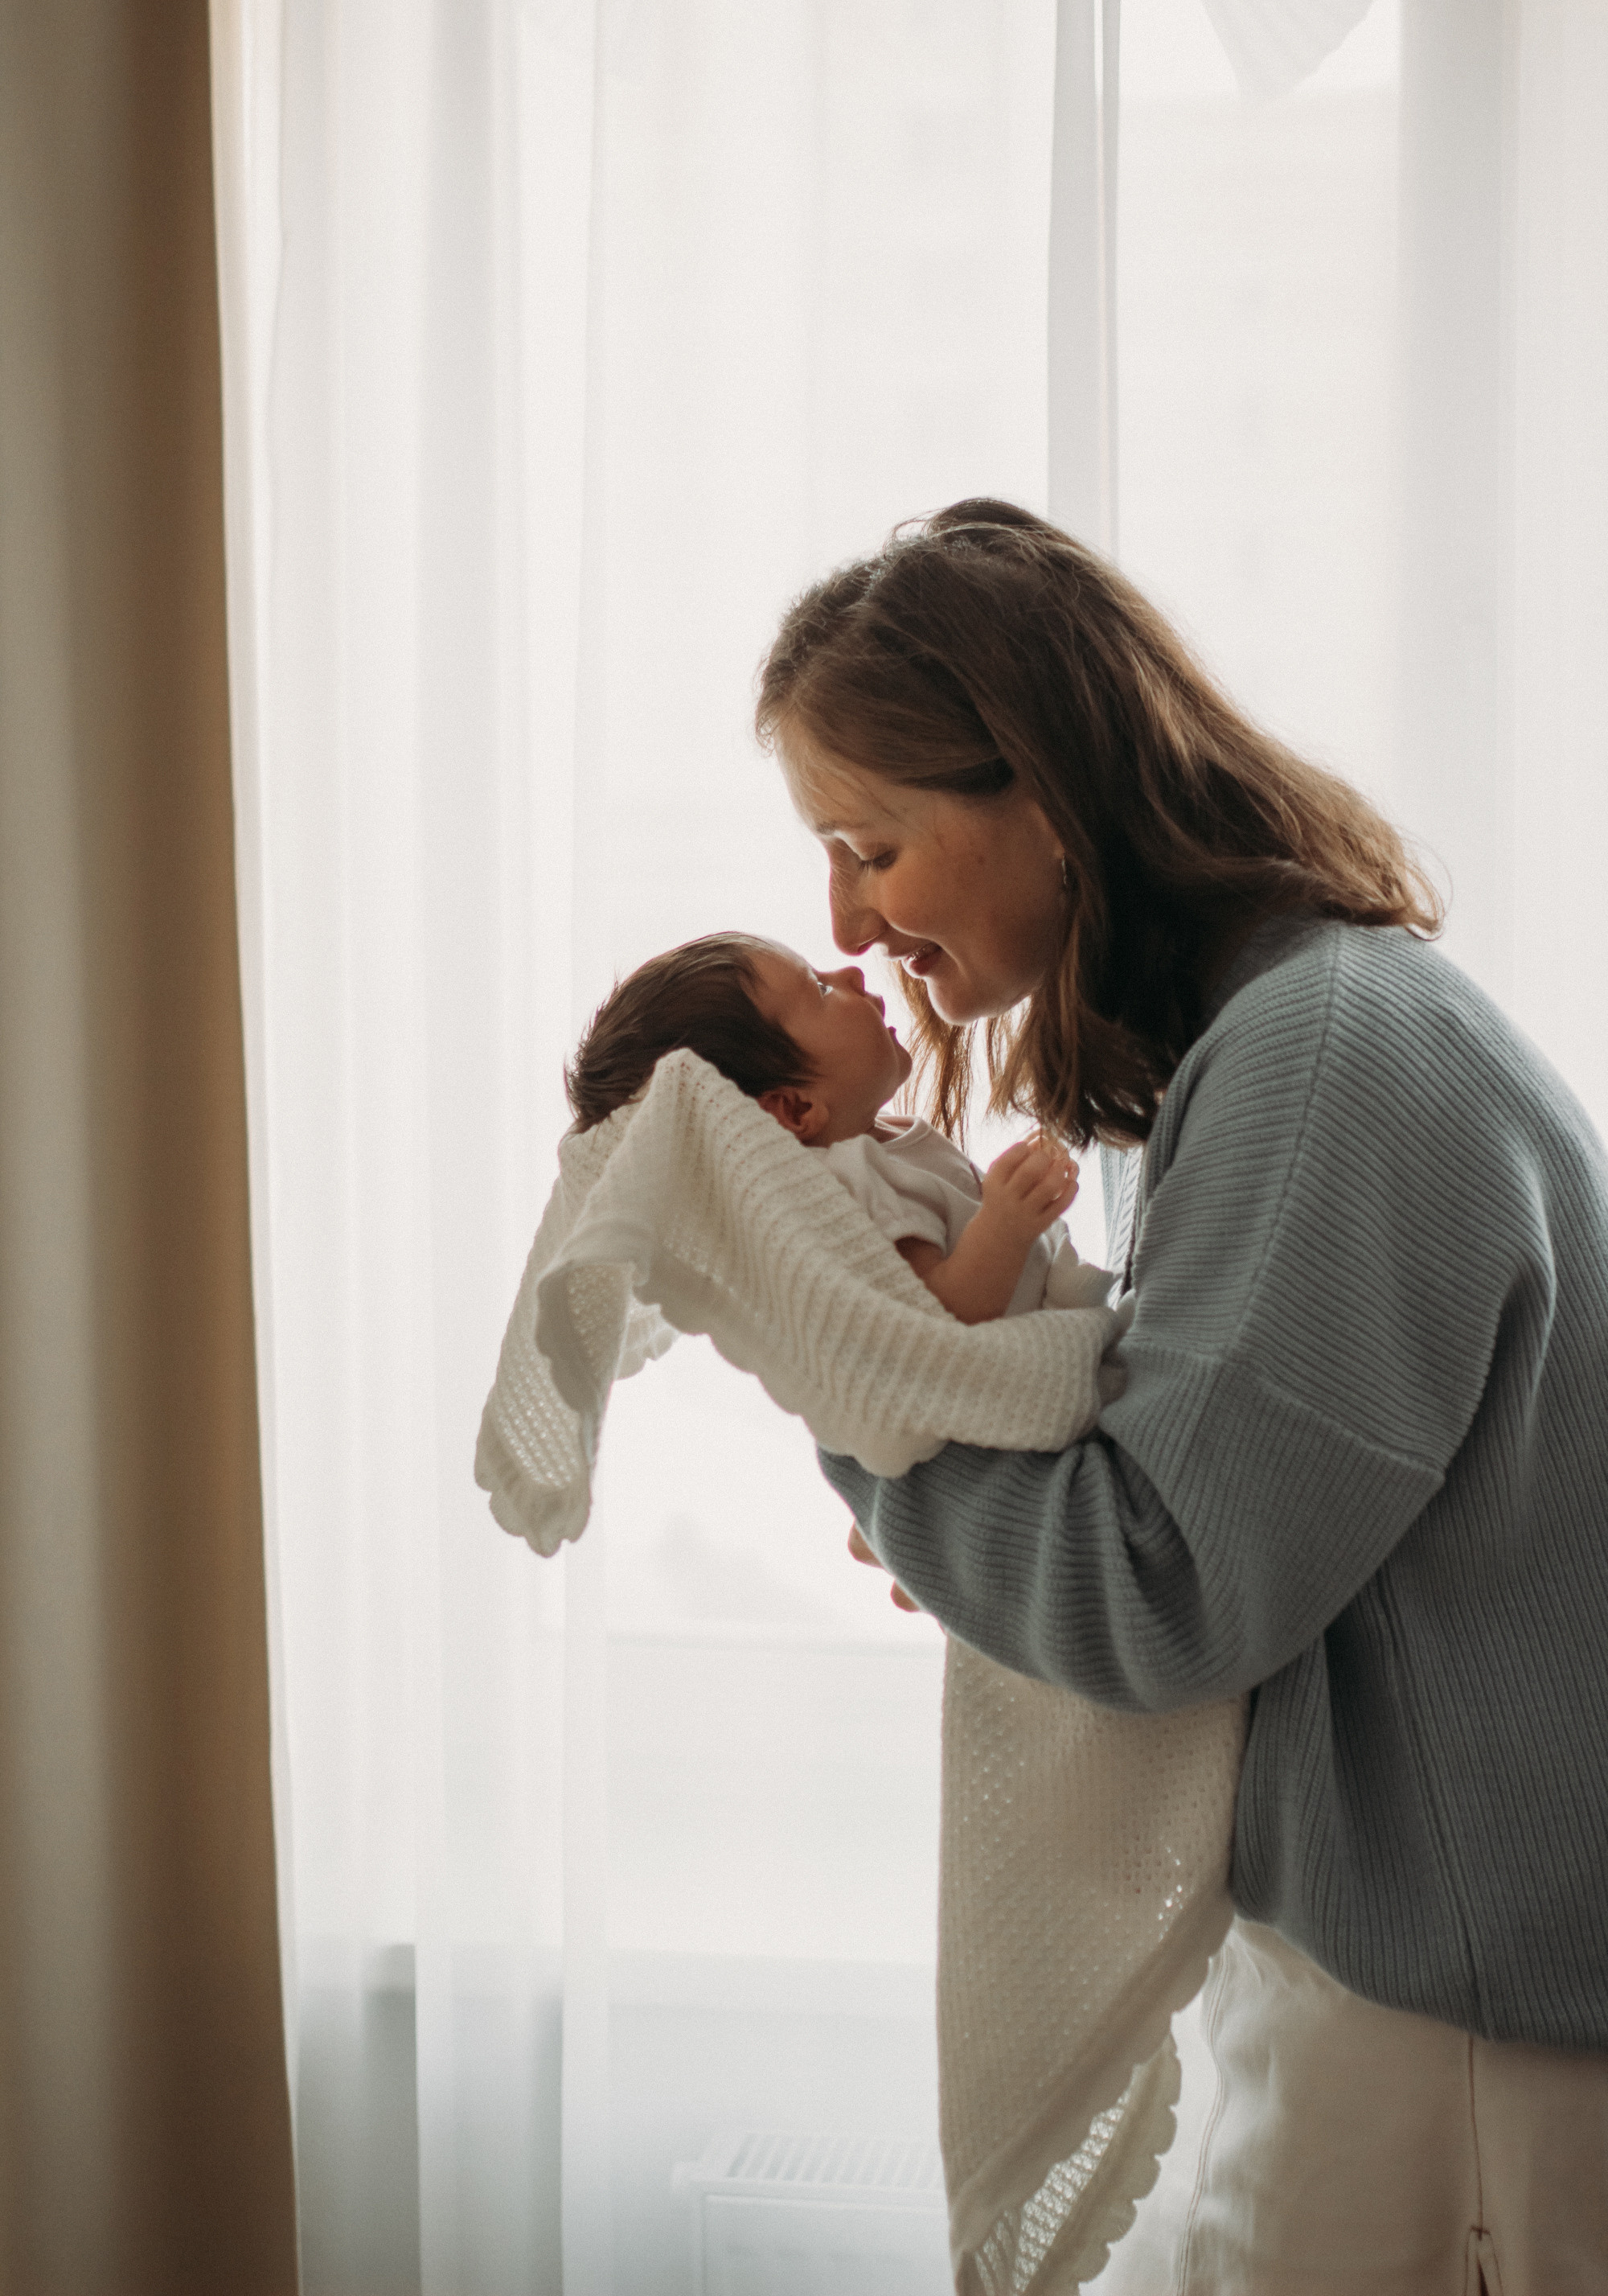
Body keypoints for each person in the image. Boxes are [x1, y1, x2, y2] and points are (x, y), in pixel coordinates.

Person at [754, 497, 1608, 2290]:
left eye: (870, 841)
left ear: (1046, 802)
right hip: (1465, 1980)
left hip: (1475, 2030)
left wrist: (848, 1398)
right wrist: (968, 1494)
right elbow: (1235, 1512)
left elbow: (1157, 1592)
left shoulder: (1315, 1066)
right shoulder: (1307, 1028)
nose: (839, 913)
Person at [564, 930, 1098, 1324]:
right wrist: (1006, 1222)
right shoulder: (852, 1184)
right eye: (820, 991)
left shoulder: (882, 1142)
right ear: (794, 1110)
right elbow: (940, 1320)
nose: (851, 974)